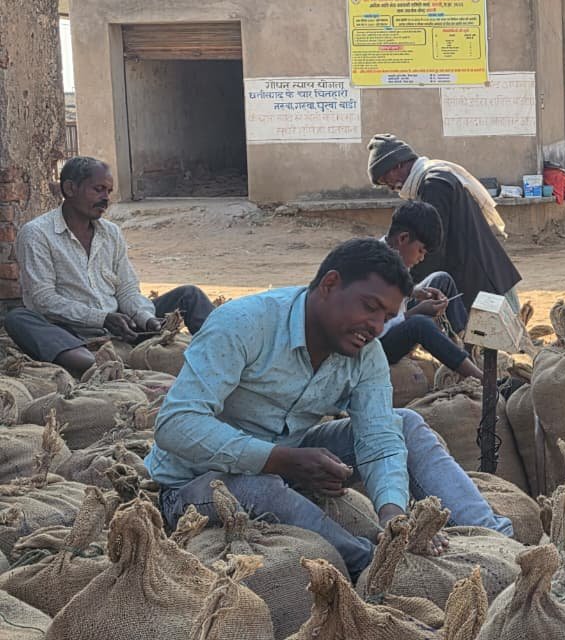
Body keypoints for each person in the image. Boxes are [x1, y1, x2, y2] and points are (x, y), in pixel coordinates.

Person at [145, 238, 514, 577]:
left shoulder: (365, 353)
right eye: (370, 307)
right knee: (259, 487)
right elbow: (176, 425)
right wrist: (280, 460)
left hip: (290, 459)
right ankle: (372, 566)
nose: (375, 327)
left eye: (386, 317)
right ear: (330, 284)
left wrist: (392, 515)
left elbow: (380, 439)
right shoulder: (244, 324)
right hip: (193, 483)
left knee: (405, 424)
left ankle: (498, 543)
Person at [6, 156, 214, 377]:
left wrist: (147, 319)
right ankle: (104, 367)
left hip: (121, 324)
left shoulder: (111, 233)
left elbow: (126, 289)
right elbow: (44, 299)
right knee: (18, 319)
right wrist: (101, 318)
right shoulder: (37, 233)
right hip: (71, 332)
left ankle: (222, 351)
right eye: (98, 190)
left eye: (109, 191)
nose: (106, 199)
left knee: (189, 295)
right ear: (70, 188)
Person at [368, 134, 521, 314]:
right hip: (484, 277)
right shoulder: (435, 178)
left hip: (482, 283)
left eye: (387, 180)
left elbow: (430, 246)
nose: (391, 187)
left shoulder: (434, 185)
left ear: (398, 165)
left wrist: (409, 287)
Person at [379, 201, 482, 380]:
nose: (421, 258)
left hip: (396, 317)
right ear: (403, 239)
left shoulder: (394, 253)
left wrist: (416, 292)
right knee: (420, 325)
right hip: (378, 344)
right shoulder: (379, 270)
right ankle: (480, 379)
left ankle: (467, 349)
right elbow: (377, 328)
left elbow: (399, 293)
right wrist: (417, 311)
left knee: (441, 279)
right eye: (420, 251)